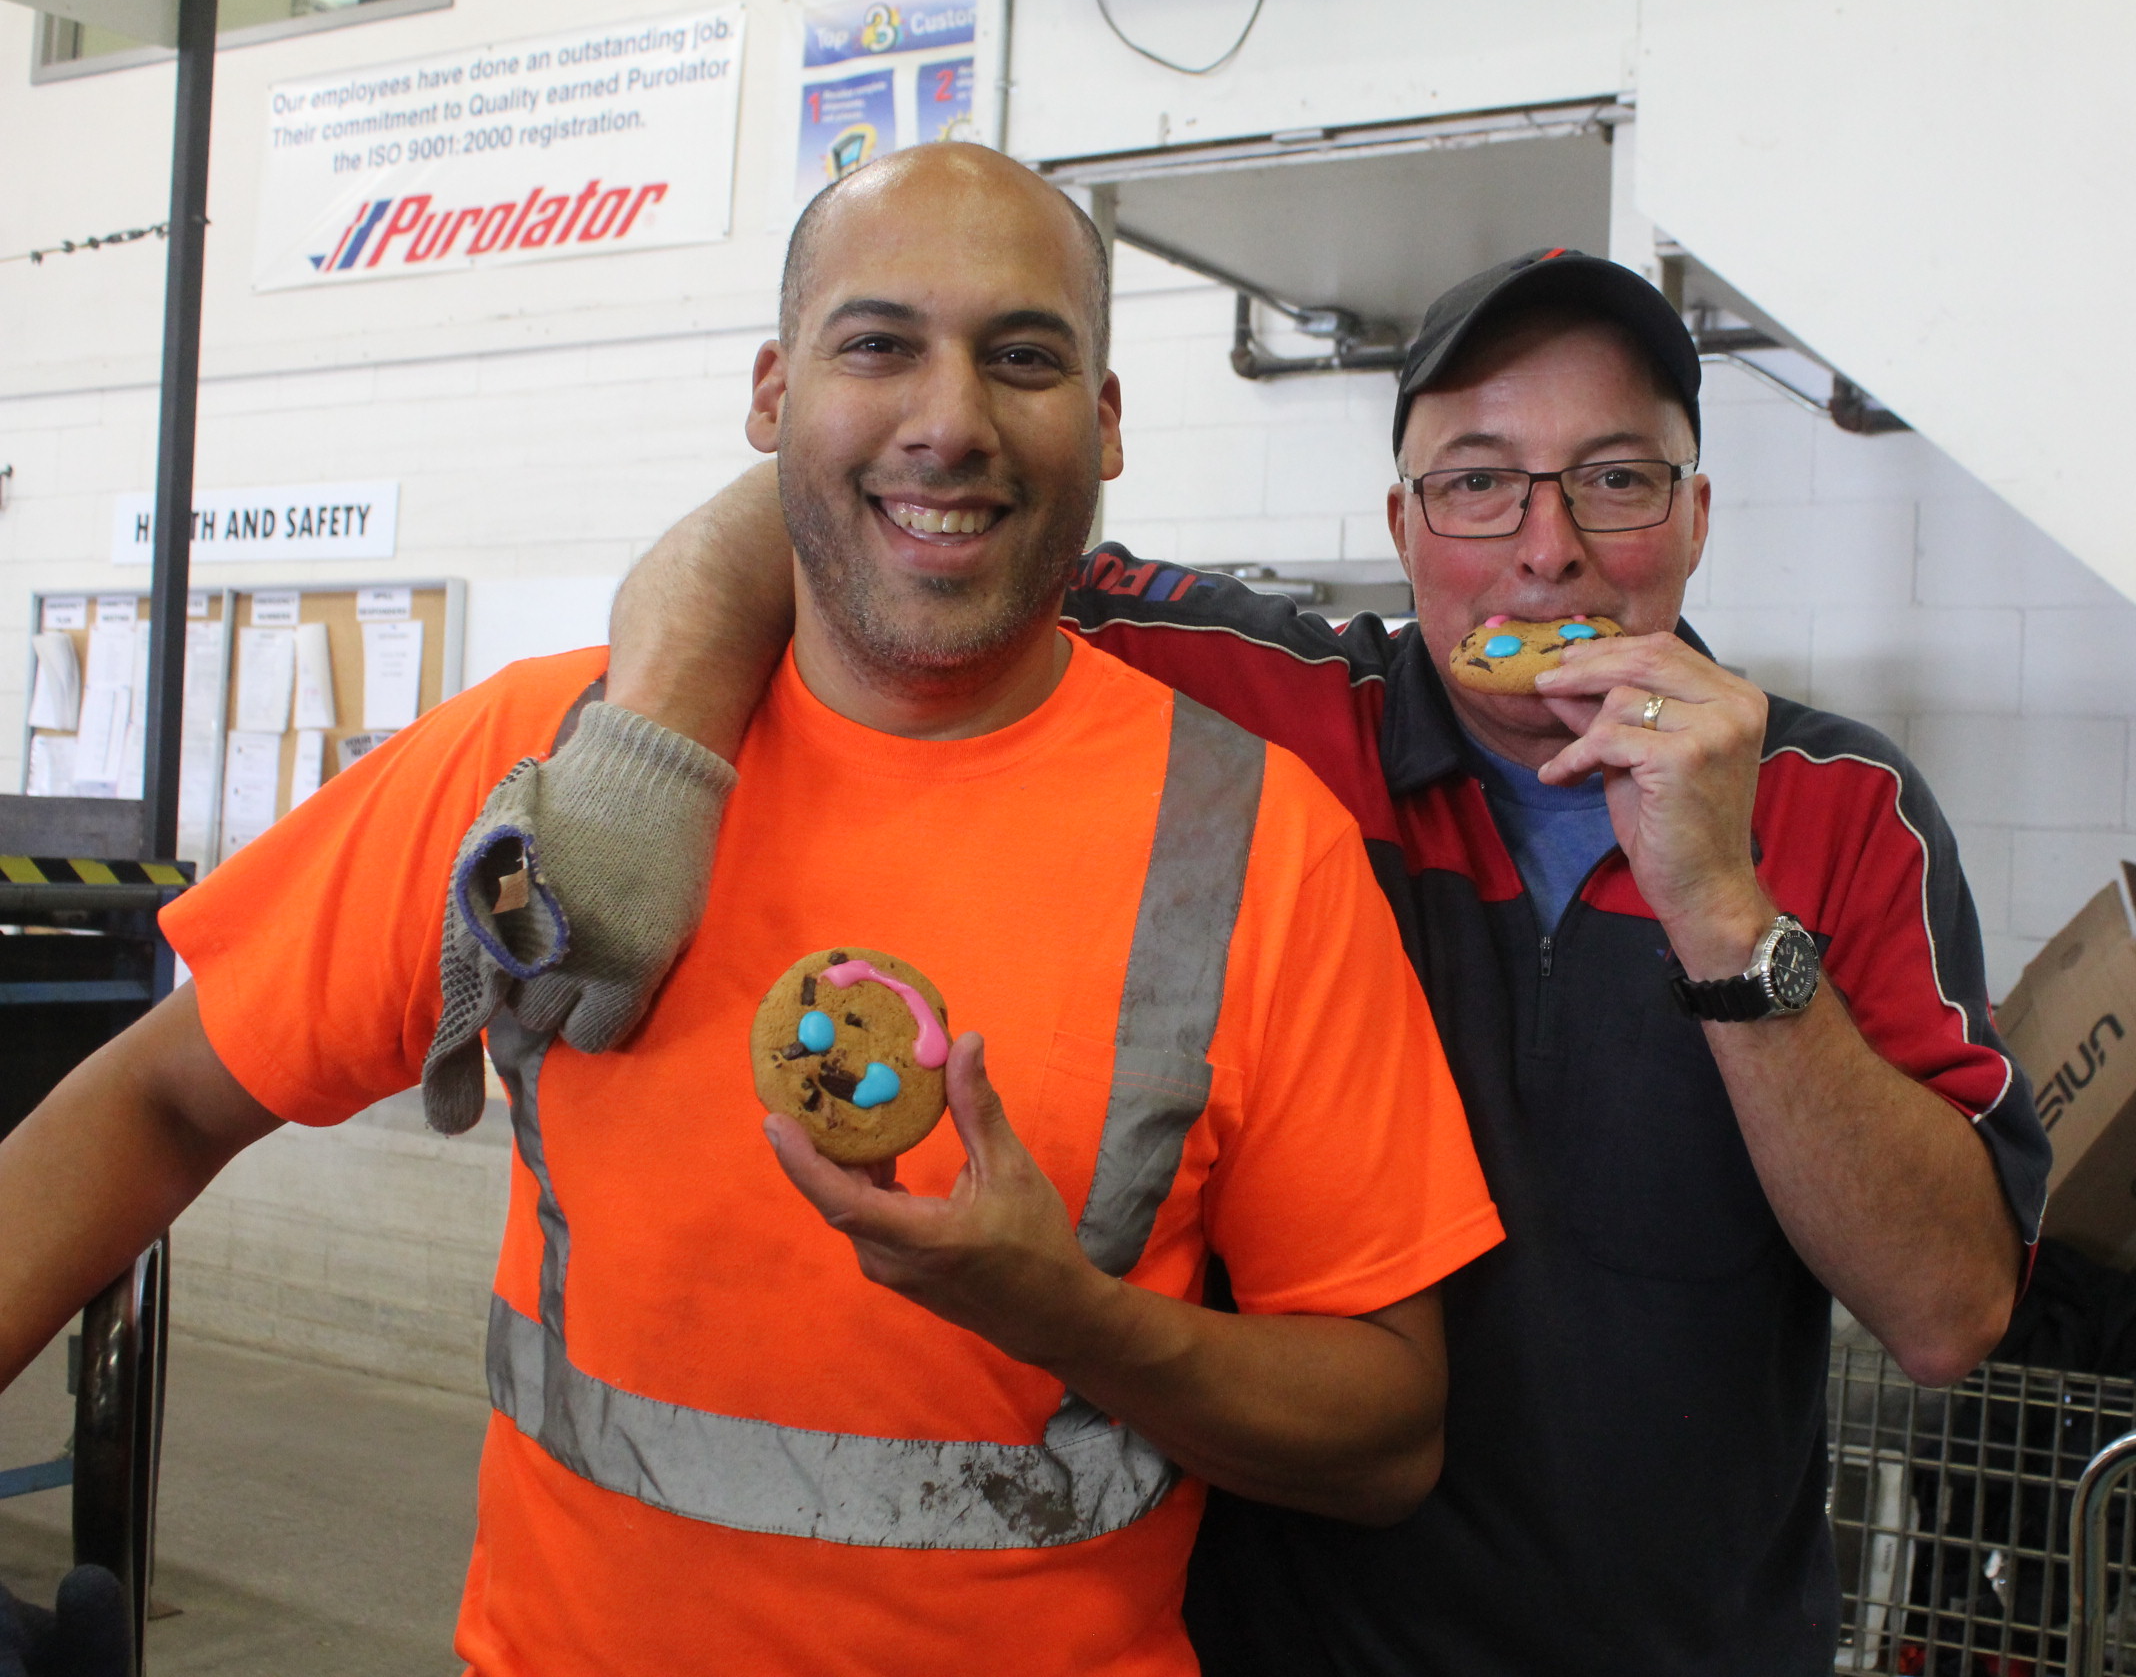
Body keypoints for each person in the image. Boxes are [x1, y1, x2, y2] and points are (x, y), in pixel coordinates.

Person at [0, 145, 1505, 1676]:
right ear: (773, 396)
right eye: (879, 345)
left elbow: (1385, 1435)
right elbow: (157, 1105)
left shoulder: (1252, 845)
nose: (950, 421)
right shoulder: (547, 773)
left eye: (1026, 357)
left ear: (1106, 422)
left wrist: (1070, 1316)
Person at [449, 241, 2055, 1671]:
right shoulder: (1274, 704)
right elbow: (856, 509)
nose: (1546, 550)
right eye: (1479, 480)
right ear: (1403, 527)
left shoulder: (1839, 806)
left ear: (1696, 516)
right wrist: (644, 765)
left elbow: (1945, 1312)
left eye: (1617, 479)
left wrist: (1718, 902)